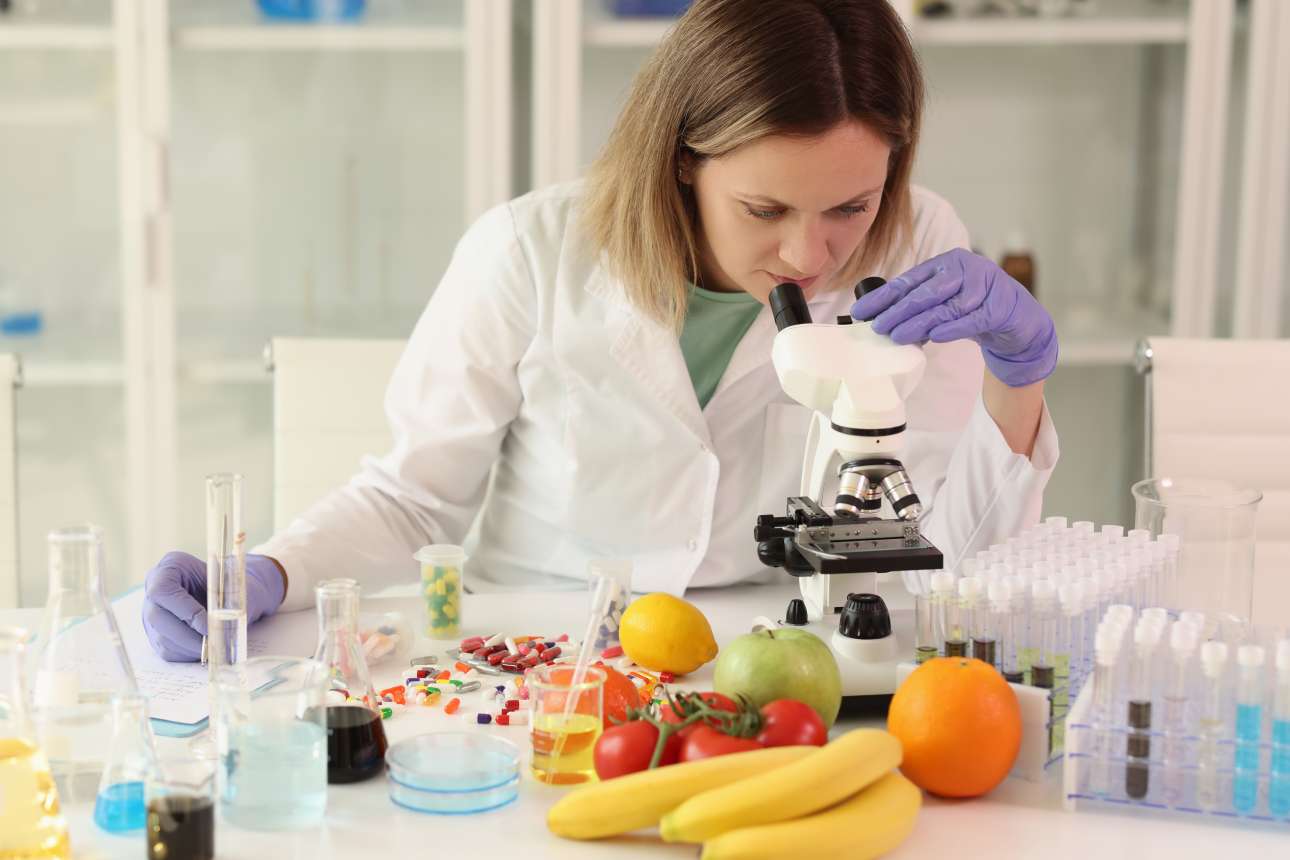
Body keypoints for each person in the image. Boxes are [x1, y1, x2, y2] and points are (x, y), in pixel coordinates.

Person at [142, 0, 1058, 661]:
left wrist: (1016, 382)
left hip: (776, 658)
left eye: (849, 207)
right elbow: (414, 500)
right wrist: (267, 570)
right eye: (764, 208)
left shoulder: (919, 245)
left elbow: (943, 554)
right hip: (541, 649)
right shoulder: (528, 252)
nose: (807, 254)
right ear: (683, 161)